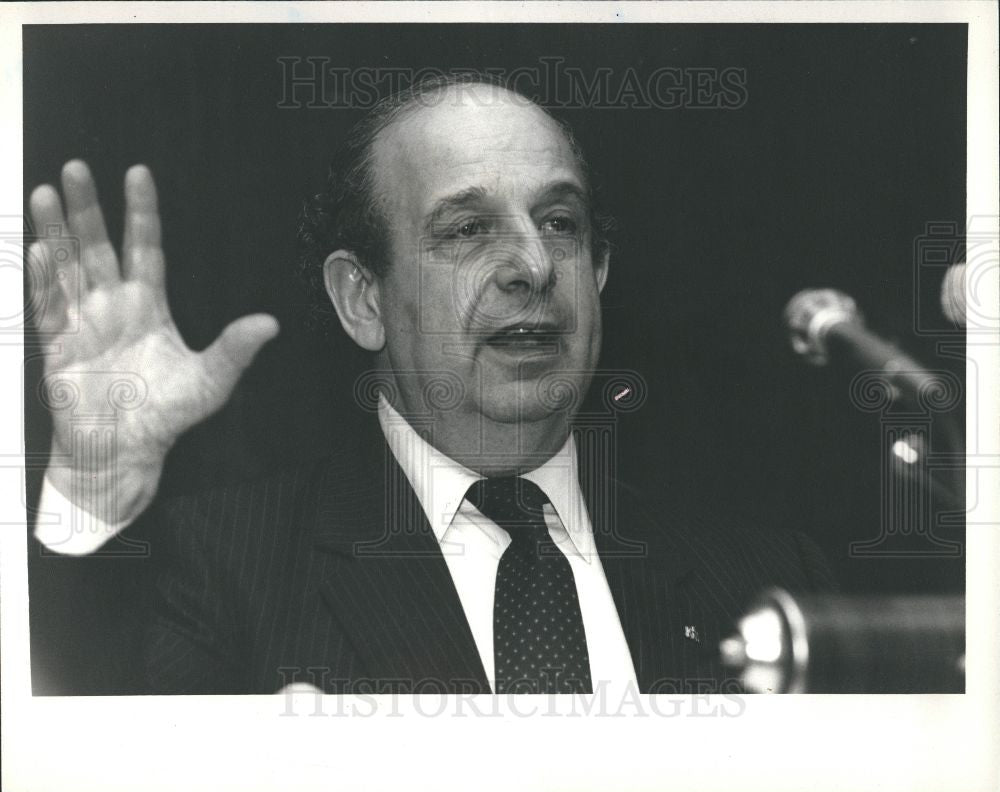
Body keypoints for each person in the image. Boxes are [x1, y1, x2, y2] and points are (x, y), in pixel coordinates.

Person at [27, 74, 834, 695]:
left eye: (560, 222)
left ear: (600, 269)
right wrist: (92, 489)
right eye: (468, 229)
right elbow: (71, 738)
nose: (533, 266)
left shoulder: (767, 577)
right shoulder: (224, 571)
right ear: (363, 299)